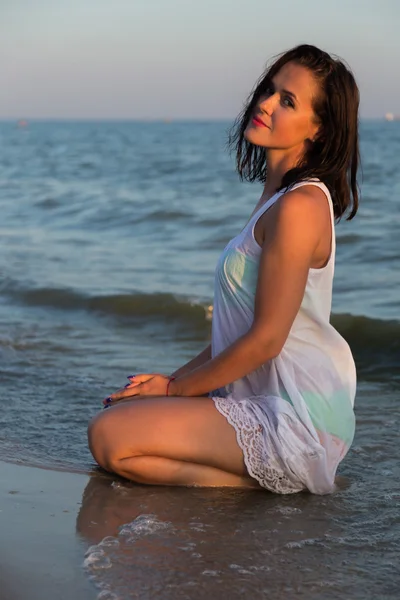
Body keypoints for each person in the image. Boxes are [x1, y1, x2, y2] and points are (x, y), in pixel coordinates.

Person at [88, 44, 360, 494]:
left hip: (295, 414)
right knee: (114, 429)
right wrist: (173, 380)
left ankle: (293, 479)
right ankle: (275, 481)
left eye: (287, 101)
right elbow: (237, 334)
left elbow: (267, 340)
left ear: (318, 129)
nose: (266, 104)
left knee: (110, 437)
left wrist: (177, 394)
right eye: (270, 90)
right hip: (262, 399)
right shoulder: (276, 200)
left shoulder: (301, 206)